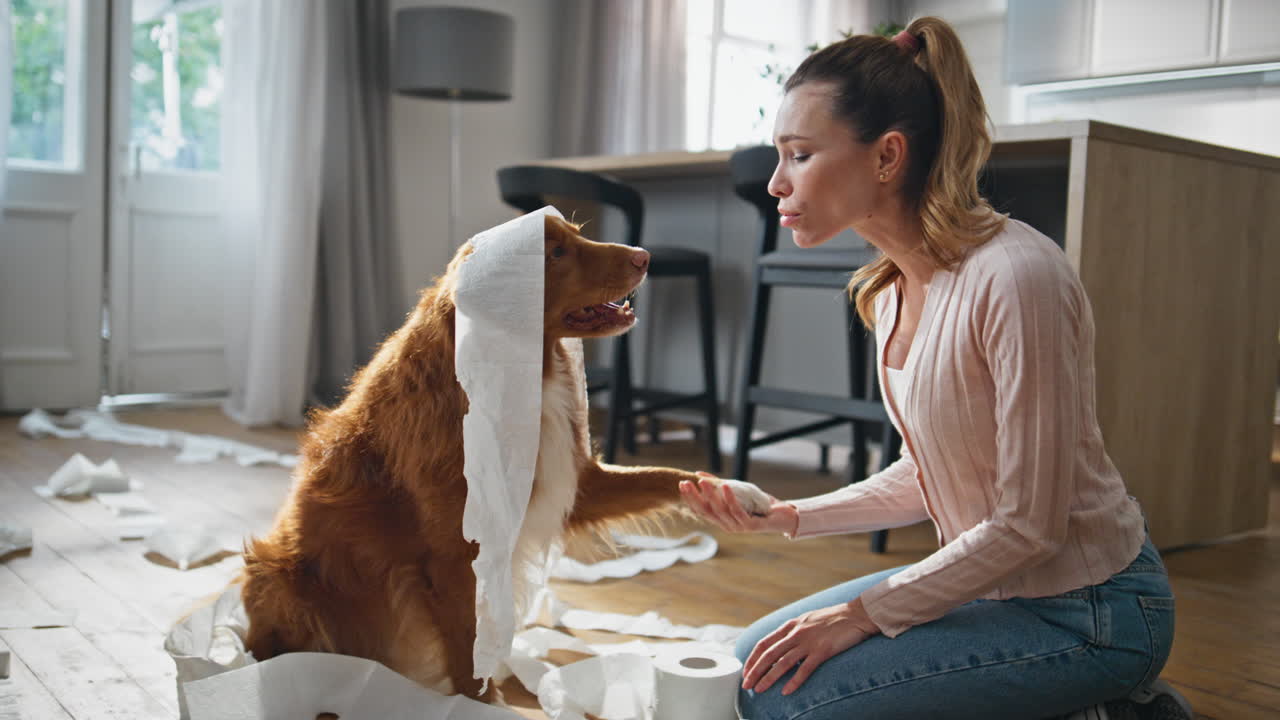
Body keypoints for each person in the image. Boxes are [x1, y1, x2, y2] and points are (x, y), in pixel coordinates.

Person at [680, 16, 1194, 720]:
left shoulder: (1018, 276)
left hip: (1091, 615)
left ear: (887, 156)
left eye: (799, 155)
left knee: (785, 708)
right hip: (990, 589)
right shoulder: (891, 290)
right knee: (744, 667)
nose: (775, 182)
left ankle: (1116, 705)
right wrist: (788, 516)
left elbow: (1029, 525)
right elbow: (930, 473)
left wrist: (863, 614)